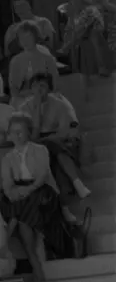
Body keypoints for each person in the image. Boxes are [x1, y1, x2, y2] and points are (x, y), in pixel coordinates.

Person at [0, 113, 71, 282]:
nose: (17, 136)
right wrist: (14, 193)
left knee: (21, 213)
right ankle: (33, 258)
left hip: (41, 189)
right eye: (13, 132)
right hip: (20, 193)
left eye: (21, 132)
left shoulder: (40, 149)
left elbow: (42, 175)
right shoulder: (7, 157)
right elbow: (7, 184)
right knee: (17, 209)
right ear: (8, 134)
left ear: (29, 133)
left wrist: (27, 190)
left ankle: (19, 243)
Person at [18, 70, 90, 201]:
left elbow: (64, 131)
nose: (39, 89)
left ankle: (66, 195)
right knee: (50, 146)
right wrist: (38, 106)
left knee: (54, 147)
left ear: (49, 88)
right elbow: (30, 136)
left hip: (57, 139)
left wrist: (50, 139)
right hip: (35, 141)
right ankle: (77, 182)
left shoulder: (59, 104)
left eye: (42, 86)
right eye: (35, 86)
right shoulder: (24, 107)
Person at [8, 20, 59, 98]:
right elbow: (13, 88)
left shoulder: (48, 58)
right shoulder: (15, 61)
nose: (25, 41)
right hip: (23, 100)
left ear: (35, 36)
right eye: (22, 38)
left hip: (47, 98)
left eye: (28, 37)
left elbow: (55, 85)